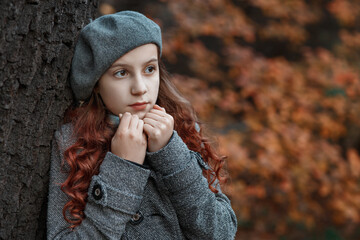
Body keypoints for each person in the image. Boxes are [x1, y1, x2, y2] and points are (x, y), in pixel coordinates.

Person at [47, 11, 237, 239]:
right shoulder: (72, 143)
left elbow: (221, 233)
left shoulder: (182, 130)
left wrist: (171, 154)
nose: (140, 88)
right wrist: (123, 168)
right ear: (96, 84)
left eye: (149, 69)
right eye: (121, 73)